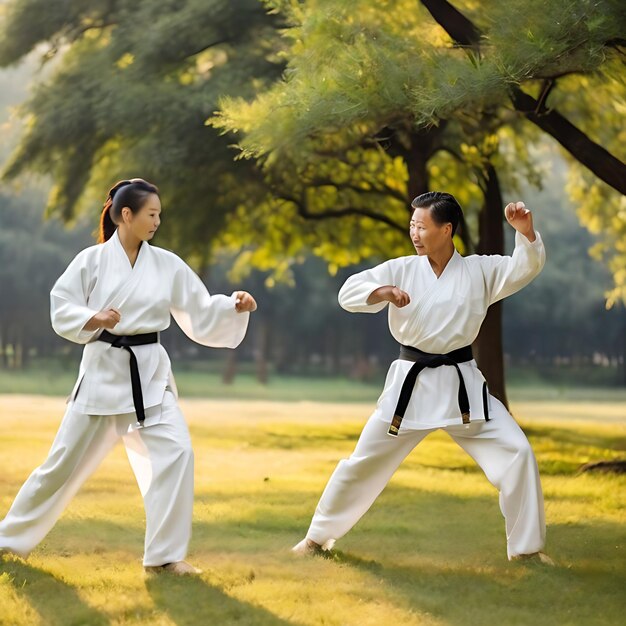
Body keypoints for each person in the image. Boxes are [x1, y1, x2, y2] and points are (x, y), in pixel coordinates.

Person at [0, 178, 257, 575]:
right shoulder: (91, 260)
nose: (157, 221)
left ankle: (164, 557)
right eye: (151, 214)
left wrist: (234, 306)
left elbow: (200, 308)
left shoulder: (167, 263)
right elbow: (60, 304)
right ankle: (7, 540)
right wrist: (93, 317)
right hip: (102, 372)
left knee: (177, 452)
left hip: (148, 376)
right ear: (126, 215)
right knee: (60, 465)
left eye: (159, 215)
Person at [292, 191, 552, 564]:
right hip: (409, 389)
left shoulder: (479, 271)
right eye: (412, 225)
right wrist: (381, 292)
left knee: (517, 452)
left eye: (422, 226)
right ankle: (315, 540)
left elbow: (523, 268)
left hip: (462, 388)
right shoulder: (401, 267)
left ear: (447, 229)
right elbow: (348, 292)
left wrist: (525, 233)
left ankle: (527, 551)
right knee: (363, 462)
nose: (414, 232)